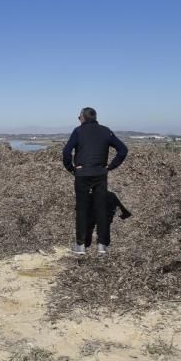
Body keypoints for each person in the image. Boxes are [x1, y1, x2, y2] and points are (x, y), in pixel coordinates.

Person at [62, 107, 128, 256]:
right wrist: (110, 166)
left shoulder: (78, 131)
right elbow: (123, 150)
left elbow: (66, 152)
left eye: (79, 117)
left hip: (82, 174)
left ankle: (80, 246)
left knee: (82, 209)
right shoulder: (106, 131)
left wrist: (71, 168)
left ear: (83, 118)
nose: (79, 120)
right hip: (100, 174)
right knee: (101, 209)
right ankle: (102, 246)